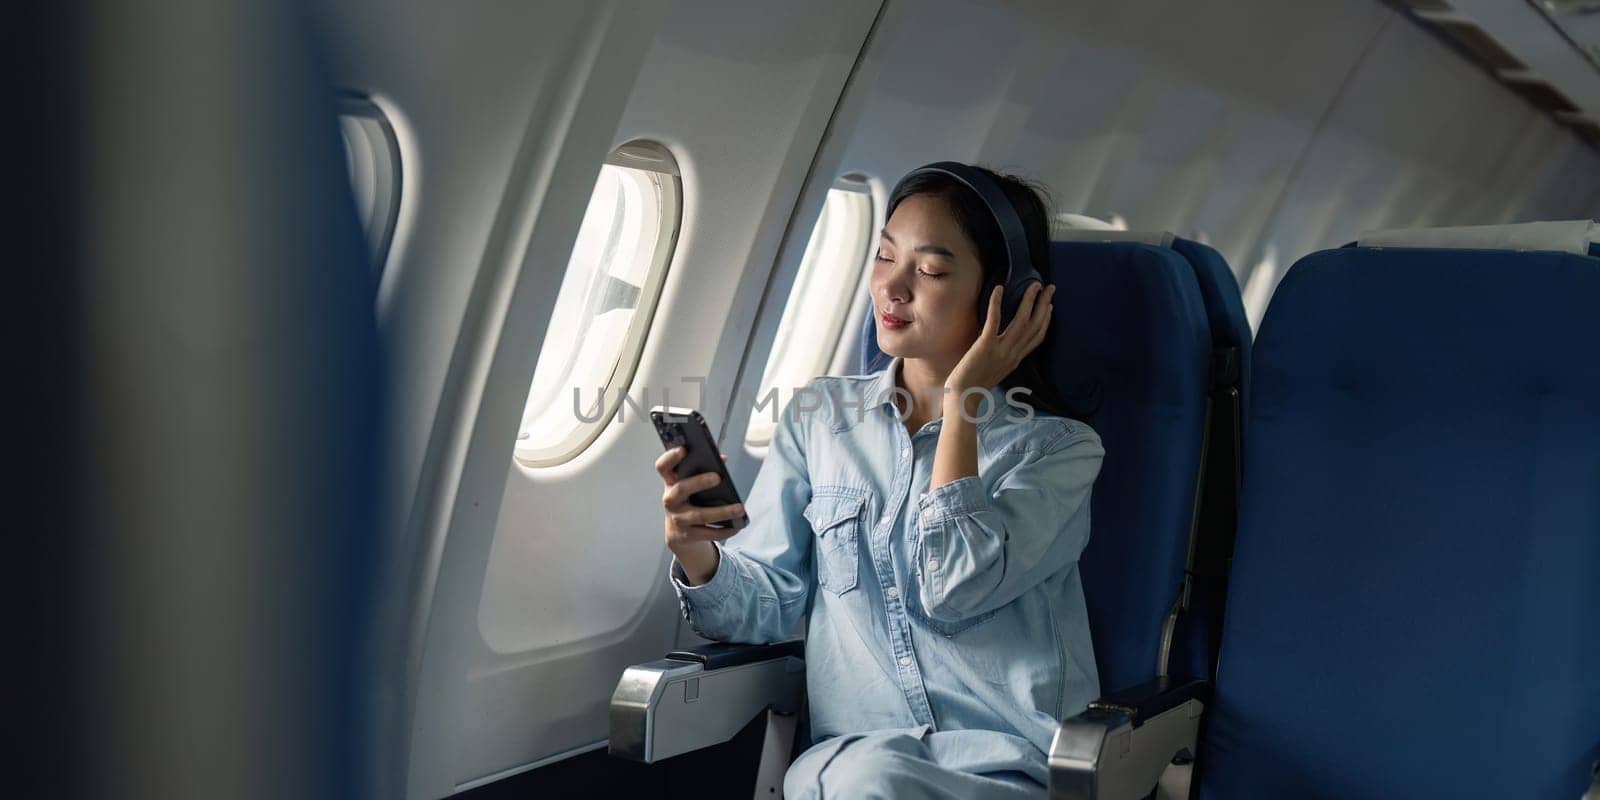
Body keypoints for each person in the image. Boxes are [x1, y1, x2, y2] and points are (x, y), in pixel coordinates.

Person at [653, 162, 1104, 798]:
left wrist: (962, 402)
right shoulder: (820, 419)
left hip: (1002, 774)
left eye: (930, 270)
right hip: (853, 769)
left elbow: (953, 588)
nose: (890, 287)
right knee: (863, 778)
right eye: (883, 256)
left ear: (1006, 294)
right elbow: (771, 603)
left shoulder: (1058, 450)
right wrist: (697, 552)